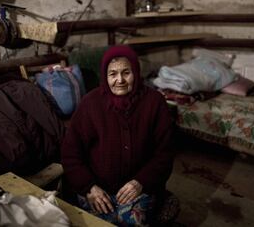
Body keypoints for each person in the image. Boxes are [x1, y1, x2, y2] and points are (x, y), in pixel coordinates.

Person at [61, 45, 175, 226]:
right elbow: (70, 153)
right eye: (112, 74)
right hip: (97, 188)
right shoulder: (91, 103)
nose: (119, 80)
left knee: (130, 221)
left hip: (139, 189)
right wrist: (89, 187)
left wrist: (140, 182)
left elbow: (165, 153)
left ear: (136, 73)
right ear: (105, 77)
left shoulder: (154, 102)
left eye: (126, 72)